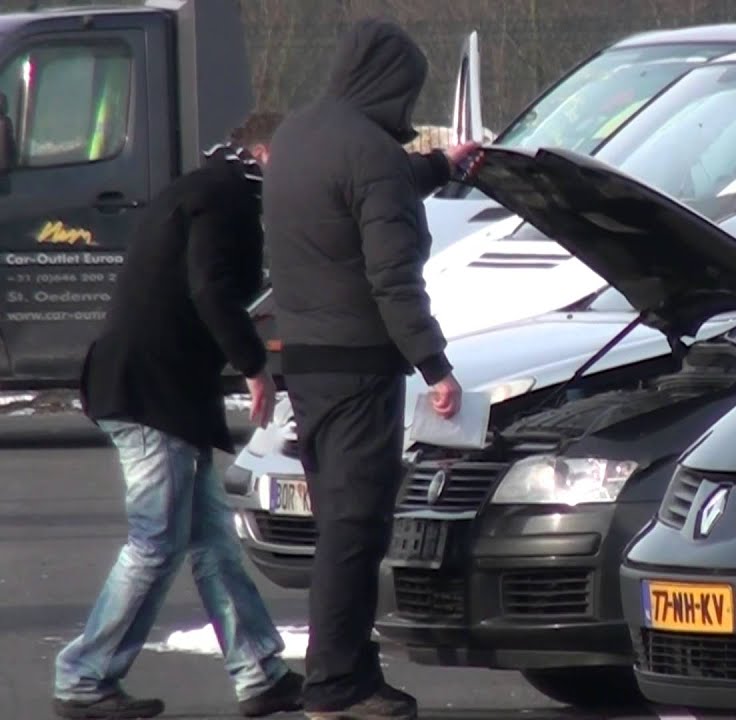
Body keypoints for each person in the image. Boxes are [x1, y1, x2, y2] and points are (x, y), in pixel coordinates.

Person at [52, 114, 304, 720]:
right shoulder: (225, 200)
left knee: (213, 543)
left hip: (158, 389)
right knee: (156, 540)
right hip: (150, 392)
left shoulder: (204, 186)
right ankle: (84, 676)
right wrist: (253, 365)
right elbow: (211, 289)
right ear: (266, 153)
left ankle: (261, 673)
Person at [263, 18, 479, 720]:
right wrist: (434, 366)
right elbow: (393, 278)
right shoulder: (370, 152)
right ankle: (332, 687)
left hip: (307, 362)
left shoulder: (299, 134)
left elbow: (361, 187)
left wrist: (442, 167)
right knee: (355, 531)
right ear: (391, 82)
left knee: (340, 526)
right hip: (360, 369)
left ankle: (356, 671)